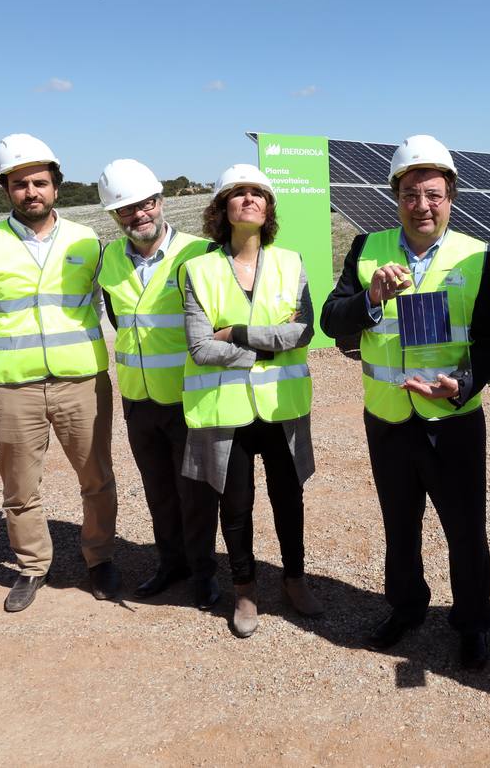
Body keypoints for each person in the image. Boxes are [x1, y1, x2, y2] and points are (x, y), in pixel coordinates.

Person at [320, 134, 490, 670]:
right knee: (399, 525)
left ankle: (473, 622)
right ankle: (406, 608)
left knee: (466, 530)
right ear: (395, 196)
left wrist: (465, 385)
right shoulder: (366, 249)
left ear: (450, 196)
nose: (421, 205)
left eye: (433, 193)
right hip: (387, 418)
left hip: (452, 420)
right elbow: (331, 322)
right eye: (409, 193)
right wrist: (370, 299)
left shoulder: (474, 254)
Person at [0, 133, 119, 612]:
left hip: (81, 381)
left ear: (57, 186)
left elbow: (95, 301)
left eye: (40, 182)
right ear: (6, 189)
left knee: (97, 477)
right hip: (12, 387)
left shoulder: (87, 240)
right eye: (20, 183)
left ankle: (101, 558)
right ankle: (32, 567)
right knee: (20, 487)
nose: (32, 192)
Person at [179, 163, 322, 636]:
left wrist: (238, 334)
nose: (249, 199)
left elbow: (303, 332)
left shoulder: (291, 263)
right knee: (236, 505)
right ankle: (245, 590)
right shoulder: (197, 271)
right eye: (238, 193)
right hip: (227, 411)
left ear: (269, 207)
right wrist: (268, 345)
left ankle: (295, 579)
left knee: (289, 498)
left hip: (282, 407)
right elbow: (201, 348)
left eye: (257, 193)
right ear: (222, 207)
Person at [96, 159, 213, 599]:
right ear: (114, 216)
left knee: (196, 494)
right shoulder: (108, 259)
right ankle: (172, 564)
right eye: (126, 209)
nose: (139, 214)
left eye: (145, 204)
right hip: (137, 398)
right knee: (158, 490)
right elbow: (118, 317)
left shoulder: (199, 253)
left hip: (189, 397)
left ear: (160, 202)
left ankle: (204, 575)